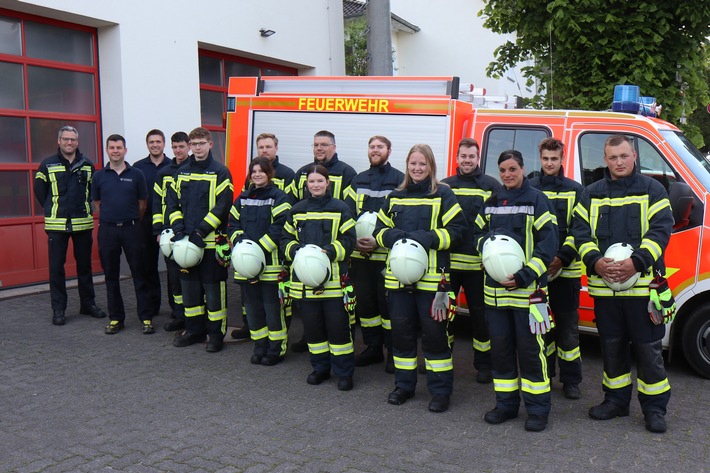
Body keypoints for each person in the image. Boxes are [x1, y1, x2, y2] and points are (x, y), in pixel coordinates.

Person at [571, 134, 673, 433]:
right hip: (605, 291)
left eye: (624, 156)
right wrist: (595, 261)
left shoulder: (653, 190)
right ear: (605, 160)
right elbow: (580, 233)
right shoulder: (591, 193)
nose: (619, 162)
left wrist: (637, 262)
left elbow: (660, 232)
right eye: (613, 157)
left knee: (648, 351)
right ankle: (615, 402)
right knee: (612, 348)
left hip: (644, 290)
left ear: (634, 157)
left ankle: (654, 409)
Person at [374, 144, 467, 413]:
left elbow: (458, 231)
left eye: (422, 164)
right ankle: (404, 386)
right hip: (398, 281)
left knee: (435, 337)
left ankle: (440, 392)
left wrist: (427, 238)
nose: (417, 168)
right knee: (401, 336)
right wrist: (393, 237)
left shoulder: (443, 195)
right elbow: (380, 230)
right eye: (413, 163)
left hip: (433, 283)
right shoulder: (395, 196)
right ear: (407, 166)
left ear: (431, 167)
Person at [473, 149, 558, 431]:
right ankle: (506, 405)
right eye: (503, 171)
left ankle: (537, 410)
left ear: (523, 168)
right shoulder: (491, 202)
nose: (508, 174)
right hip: (495, 295)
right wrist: (485, 254)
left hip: (529, 294)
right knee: (502, 352)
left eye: (512, 169)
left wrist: (525, 275)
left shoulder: (537, 200)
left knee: (532, 353)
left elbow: (548, 243)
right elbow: (476, 236)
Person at [281, 165, 357, 390]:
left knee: (338, 329)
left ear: (328, 183)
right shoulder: (297, 210)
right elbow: (285, 239)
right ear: (306, 184)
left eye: (319, 181)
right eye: (311, 181)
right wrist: (295, 251)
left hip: (334, 283)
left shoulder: (341, 208)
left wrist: (331, 252)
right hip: (305, 283)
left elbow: (349, 240)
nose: (315, 185)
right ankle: (320, 368)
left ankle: (344, 372)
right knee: (313, 330)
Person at [287, 130, 357, 353]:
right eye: (316, 144)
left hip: (333, 258)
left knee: (337, 319)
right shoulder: (301, 173)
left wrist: (331, 250)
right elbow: (290, 203)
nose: (319, 148)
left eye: (324, 145)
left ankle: (340, 360)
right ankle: (312, 343)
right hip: (307, 243)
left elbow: (349, 211)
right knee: (311, 312)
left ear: (334, 147)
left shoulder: (347, 173)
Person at [166, 127, 234, 353]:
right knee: (190, 289)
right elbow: (172, 203)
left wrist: (200, 232)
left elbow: (223, 207)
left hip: (211, 244)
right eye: (194, 144)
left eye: (201, 143)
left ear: (210, 144)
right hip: (186, 243)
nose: (198, 148)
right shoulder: (181, 172)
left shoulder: (221, 172)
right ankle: (194, 330)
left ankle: (216, 334)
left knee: (214, 291)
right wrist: (178, 230)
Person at [529, 137, 585, 400]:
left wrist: (562, 257)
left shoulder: (576, 190)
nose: (549, 163)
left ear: (562, 159)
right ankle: (546, 375)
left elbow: (580, 229)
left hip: (567, 272)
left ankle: (571, 380)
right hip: (539, 273)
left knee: (567, 330)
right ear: (540, 159)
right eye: (545, 159)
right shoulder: (530, 188)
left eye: (554, 159)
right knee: (543, 328)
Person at [441, 138, 500, 384]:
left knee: (480, 318)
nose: (467, 160)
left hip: (478, 266)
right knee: (444, 315)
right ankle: (440, 359)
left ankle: (484, 365)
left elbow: (497, 223)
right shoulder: (444, 186)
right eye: (463, 156)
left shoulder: (491, 186)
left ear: (478, 158)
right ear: (457, 159)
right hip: (449, 265)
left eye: (471, 156)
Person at [34, 125, 106, 325]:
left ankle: (88, 304)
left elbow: (93, 192)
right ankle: (59, 309)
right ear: (59, 141)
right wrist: (51, 208)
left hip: (82, 223)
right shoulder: (47, 165)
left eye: (72, 139)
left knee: (84, 267)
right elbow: (40, 191)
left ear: (77, 141)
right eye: (65, 139)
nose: (69, 142)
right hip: (57, 224)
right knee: (56, 268)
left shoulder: (87, 165)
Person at [343, 135, 404, 372]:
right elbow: (346, 213)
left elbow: (401, 215)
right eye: (372, 147)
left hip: (386, 255)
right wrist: (353, 240)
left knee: (388, 308)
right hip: (360, 255)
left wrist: (378, 241)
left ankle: (392, 352)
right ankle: (373, 348)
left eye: (380, 147)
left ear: (389, 151)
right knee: (366, 307)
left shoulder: (399, 180)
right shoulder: (358, 180)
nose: (375, 150)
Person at [230, 132, 296, 341]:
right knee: (252, 306)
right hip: (247, 261)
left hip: (271, 262)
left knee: (273, 308)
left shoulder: (280, 194)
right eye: (254, 171)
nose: (257, 174)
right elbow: (232, 222)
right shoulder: (244, 196)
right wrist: (242, 245)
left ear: (270, 174)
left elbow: (280, 226)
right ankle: (259, 344)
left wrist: (257, 249)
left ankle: (276, 346)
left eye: (261, 171)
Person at [92, 134, 153, 335]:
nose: (115, 151)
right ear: (107, 150)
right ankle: (116, 319)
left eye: (119, 147)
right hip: (108, 230)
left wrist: (129, 219)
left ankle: (146, 317)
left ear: (125, 150)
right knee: (111, 276)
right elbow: (98, 204)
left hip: (132, 229)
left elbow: (142, 204)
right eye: (112, 147)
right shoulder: (99, 176)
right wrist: (111, 218)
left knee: (139, 273)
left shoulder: (136, 174)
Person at [152, 131, 190, 331]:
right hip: (169, 232)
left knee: (190, 275)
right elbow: (157, 203)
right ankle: (178, 314)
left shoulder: (195, 169)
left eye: (181, 146)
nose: (178, 150)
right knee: (173, 276)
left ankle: (193, 315)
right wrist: (158, 230)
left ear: (189, 147)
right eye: (175, 147)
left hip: (190, 231)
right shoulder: (164, 173)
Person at [134, 129, 171, 318]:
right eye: (151, 142)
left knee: (173, 267)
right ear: (147, 144)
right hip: (145, 223)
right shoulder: (138, 167)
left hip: (170, 223)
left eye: (158, 141)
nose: (155, 145)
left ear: (164, 144)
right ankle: (153, 305)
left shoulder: (174, 166)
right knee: (148, 266)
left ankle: (176, 308)